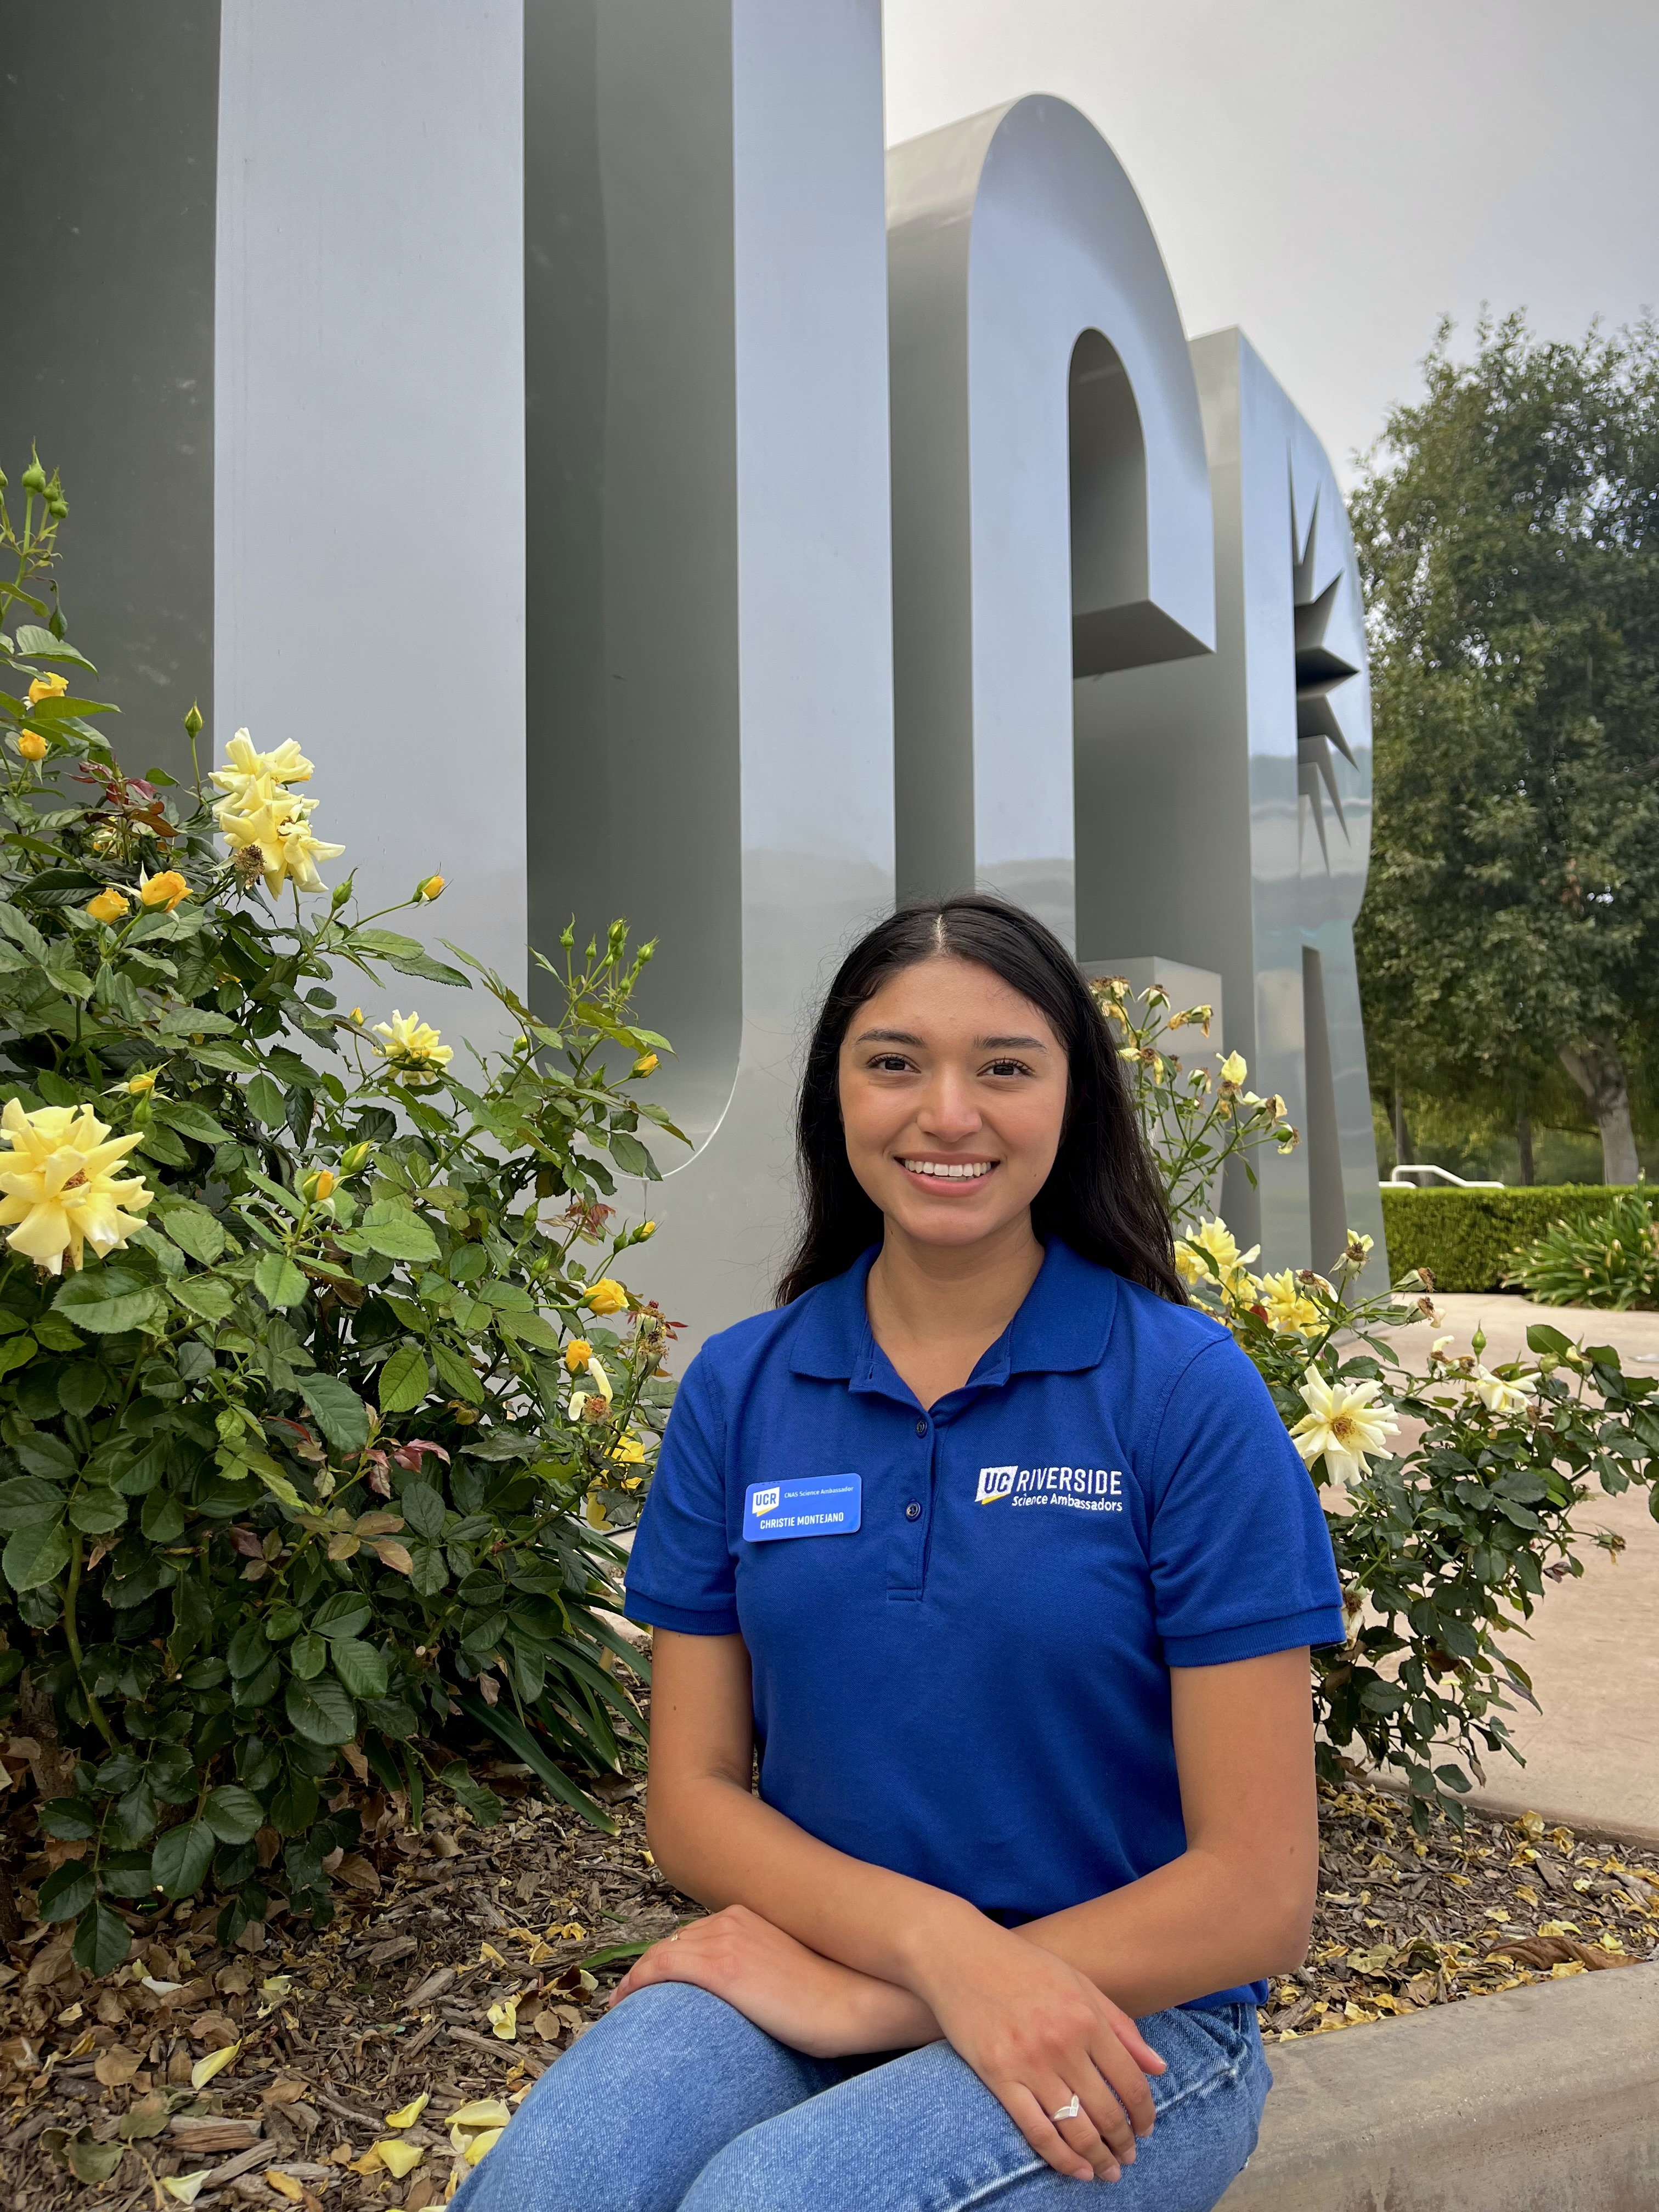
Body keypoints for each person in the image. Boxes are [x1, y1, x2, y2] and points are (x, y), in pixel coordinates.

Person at [455, 895, 1345, 2211]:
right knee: (548, 2187)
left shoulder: (1181, 1392)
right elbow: (692, 1796)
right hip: (813, 1966)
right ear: (838, 1093)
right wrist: (932, 1956)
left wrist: (886, 2003)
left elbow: (1258, 1894)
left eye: (1005, 1067)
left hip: (1130, 2014)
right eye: (895, 1062)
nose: (948, 1113)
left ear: (1075, 1099)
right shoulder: (741, 1389)